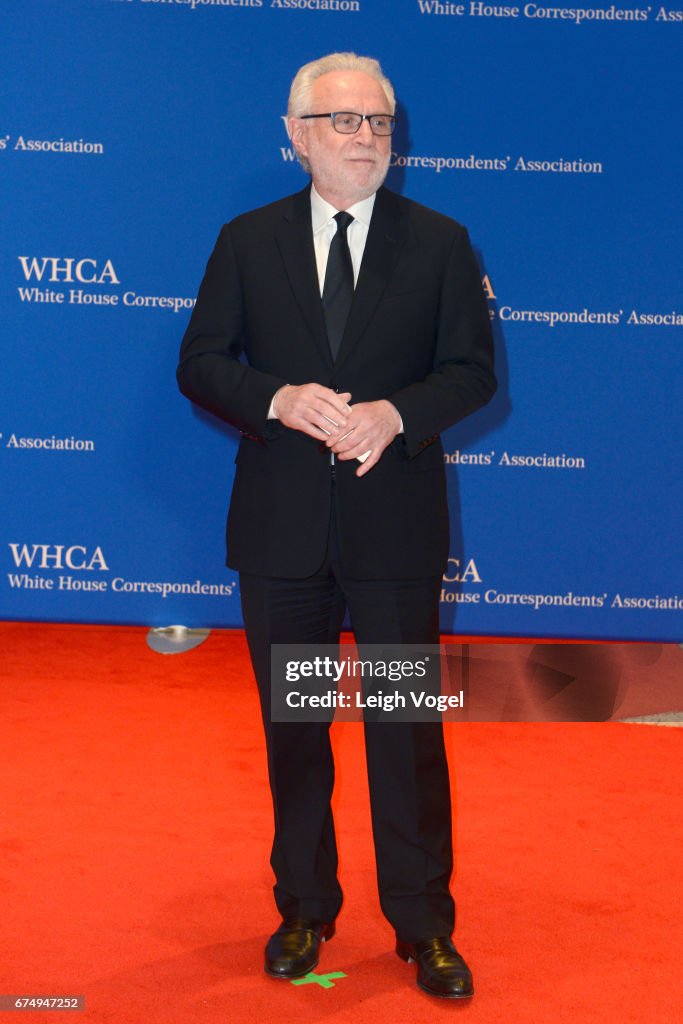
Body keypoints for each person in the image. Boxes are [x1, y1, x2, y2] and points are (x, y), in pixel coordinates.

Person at [177, 52, 496, 1000]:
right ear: (298, 134)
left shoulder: (439, 241)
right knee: (298, 728)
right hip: (284, 538)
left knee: (402, 727)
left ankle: (422, 925)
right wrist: (276, 397)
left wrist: (395, 414)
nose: (366, 140)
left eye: (379, 123)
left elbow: (471, 372)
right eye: (345, 122)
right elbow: (201, 362)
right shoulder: (247, 239)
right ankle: (304, 908)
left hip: (392, 532)